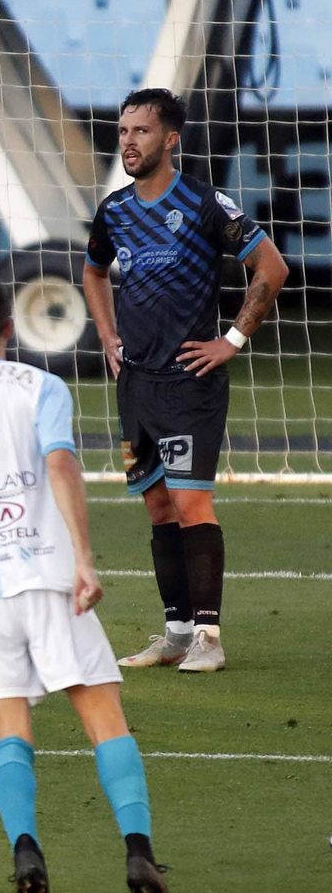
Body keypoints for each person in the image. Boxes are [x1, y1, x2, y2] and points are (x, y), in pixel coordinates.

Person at [0, 273, 165, 893]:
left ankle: (26, 852)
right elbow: (61, 464)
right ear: (10, 329)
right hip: (48, 575)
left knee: (8, 729)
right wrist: (85, 560)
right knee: (104, 716)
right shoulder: (43, 386)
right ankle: (138, 849)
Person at [82, 88, 290, 674]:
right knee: (157, 507)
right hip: (137, 384)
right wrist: (106, 336)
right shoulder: (115, 211)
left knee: (192, 502)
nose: (127, 141)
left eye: (140, 132)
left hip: (190, 383)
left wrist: (232, 340)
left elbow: (271, 267)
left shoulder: (203, 204)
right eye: (123, 131)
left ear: (170, 139)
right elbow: (93, 270)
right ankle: (175, 631)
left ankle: (208, 637)